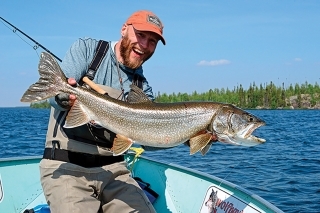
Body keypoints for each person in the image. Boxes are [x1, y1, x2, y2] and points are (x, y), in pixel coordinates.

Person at [40, 10, 165, 213]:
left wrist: (190, 136)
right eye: (140, 35)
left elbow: (148, 142)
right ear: (124, 29)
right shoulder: (88, 50)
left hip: (115, 171)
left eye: (152, 41)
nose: (144, 45)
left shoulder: (142, 88)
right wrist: (63, 98)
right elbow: (52, 97)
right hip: (66, 165)